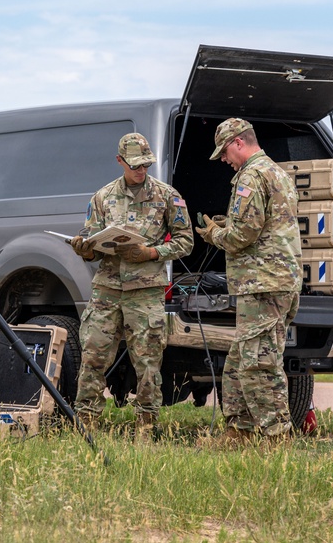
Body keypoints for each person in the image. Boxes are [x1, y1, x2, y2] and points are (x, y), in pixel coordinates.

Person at [69, 133, 193, 435]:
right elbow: (94, 240)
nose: (141, 170)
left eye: (145, 165)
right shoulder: (103, 196)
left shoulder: (167, 196)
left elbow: (185, 241)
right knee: (92, 358)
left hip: (146, 291)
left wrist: (152, 252)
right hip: (107, 291)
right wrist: (85, 249)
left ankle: (146, 427)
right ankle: (86, 424)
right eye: (135, 165)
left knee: (148, 364)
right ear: (120, 161)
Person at [195, 118, 302, 441]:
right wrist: (230, 223)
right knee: (240, 360)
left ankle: (276, 435)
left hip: (263, 283)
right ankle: (238, 431)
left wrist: (215, 233)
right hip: (277, 280)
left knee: (258, 364)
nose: (224, 159)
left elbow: (243, 235)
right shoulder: (277, 172)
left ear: (239, 142)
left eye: (225, 152)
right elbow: (267, 223)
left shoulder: (252, 176)